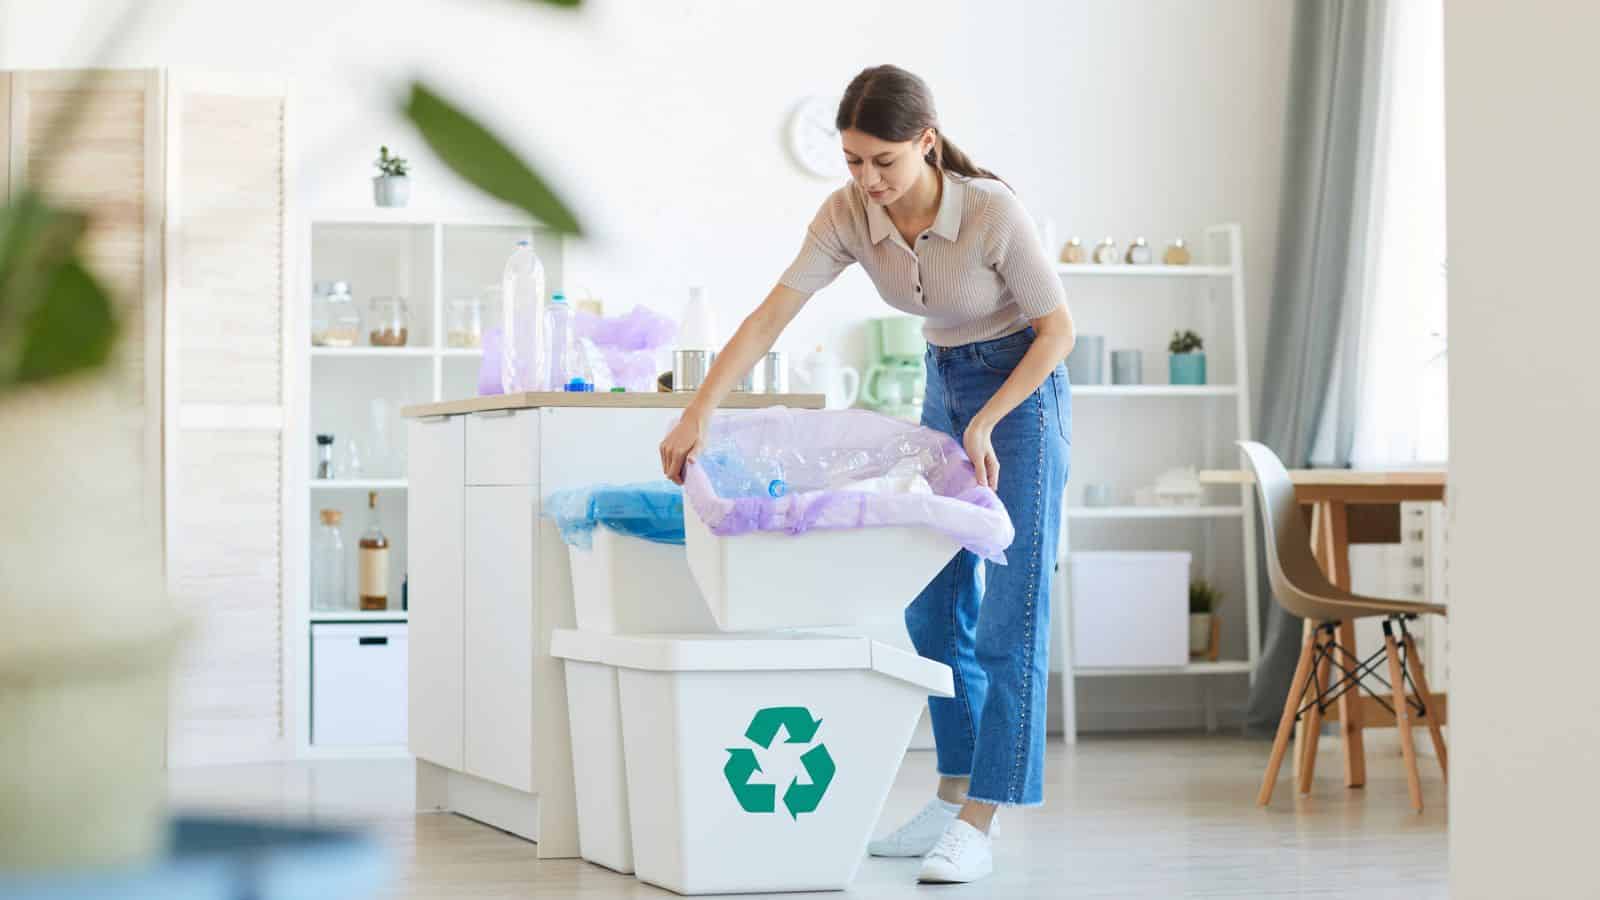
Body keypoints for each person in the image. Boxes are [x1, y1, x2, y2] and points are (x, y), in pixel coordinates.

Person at [659, 63, 1072, 885]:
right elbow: (772, 312)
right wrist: (699, 409)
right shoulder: (848, 213)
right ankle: (953, 795)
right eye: (852, 160)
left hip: (1022, 394)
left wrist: (991, 418)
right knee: (932, 599)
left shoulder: (991, 212)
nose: (868, 179)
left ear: (926, 142)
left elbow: (1058, 330)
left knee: (1010, 612)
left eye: (883, 161)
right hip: (946, 382)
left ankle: (984, 817)